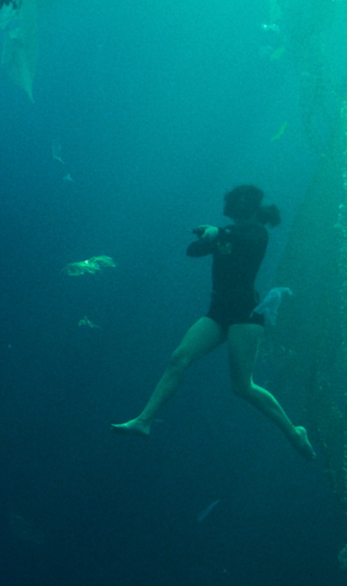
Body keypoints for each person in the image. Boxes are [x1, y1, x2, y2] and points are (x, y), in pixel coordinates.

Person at [111, 185, 316, 459]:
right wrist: (211, 237)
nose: (239, 209)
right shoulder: (224, 233)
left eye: (244, 204)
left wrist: (218, 233)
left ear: (254, 208)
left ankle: (293, 432)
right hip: (217, 312)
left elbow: (246, 238)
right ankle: (144, 420)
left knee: (243, 386)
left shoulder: (257, 233)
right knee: (178, 358)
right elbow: (192, 251)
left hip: (245, 313)